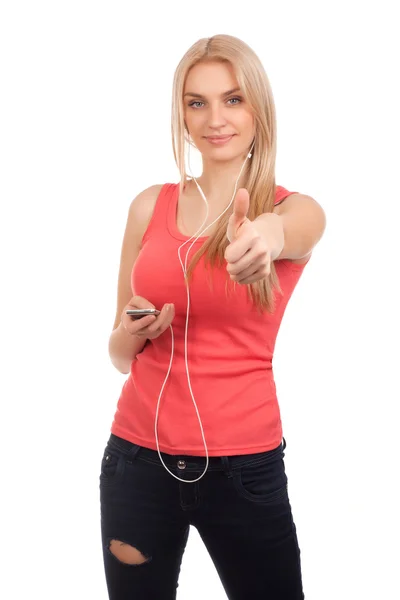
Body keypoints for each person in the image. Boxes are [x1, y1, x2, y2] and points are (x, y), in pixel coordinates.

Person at [100, 34, 326, 600]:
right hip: (136, 460)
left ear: (258, 109)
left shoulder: (288, 209)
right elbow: (117, 355)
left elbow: (293, 230)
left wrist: (264, 240)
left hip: (245, 470)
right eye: (196, 102)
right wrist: (131, 331)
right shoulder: (149, 206)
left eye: (232, 99)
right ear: (181, 113)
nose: (214, 118)